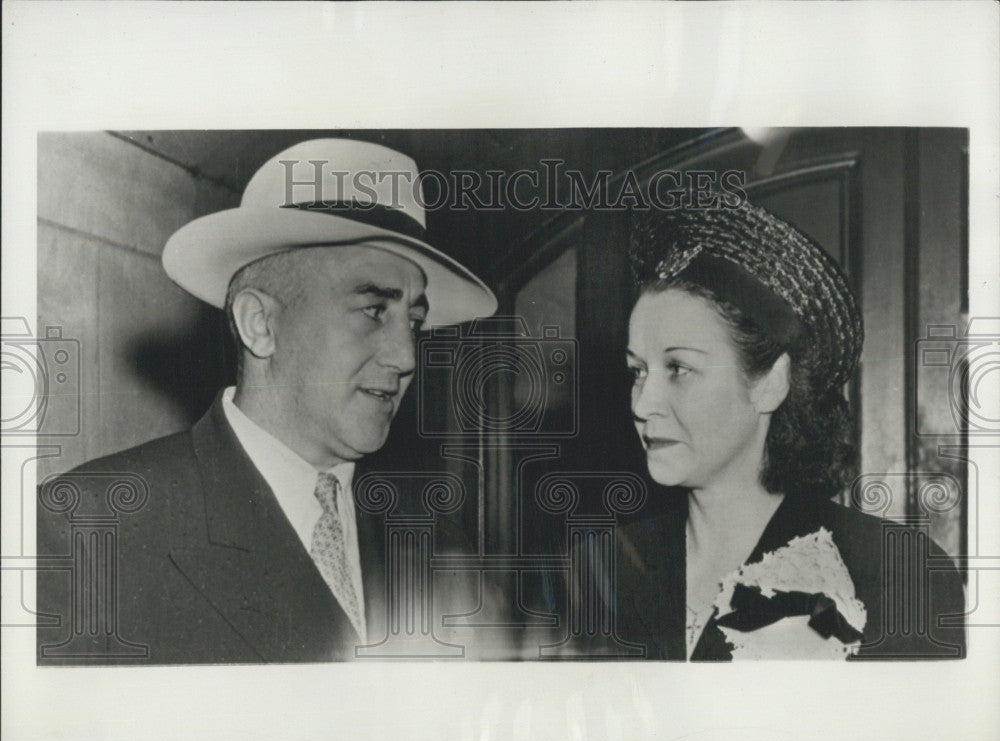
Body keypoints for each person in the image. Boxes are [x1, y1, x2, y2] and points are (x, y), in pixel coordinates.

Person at [36, 138, 497, 664]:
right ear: (260, 325)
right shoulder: (88, 531)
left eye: (413, 323)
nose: (406, 355)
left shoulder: (437, 547)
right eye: (373, 311)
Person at [585, 201, 965, 660]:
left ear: (770, 384)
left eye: (679, 368)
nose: (643, 405)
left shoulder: (897, 573)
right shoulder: (598, 567)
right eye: (637, 371)